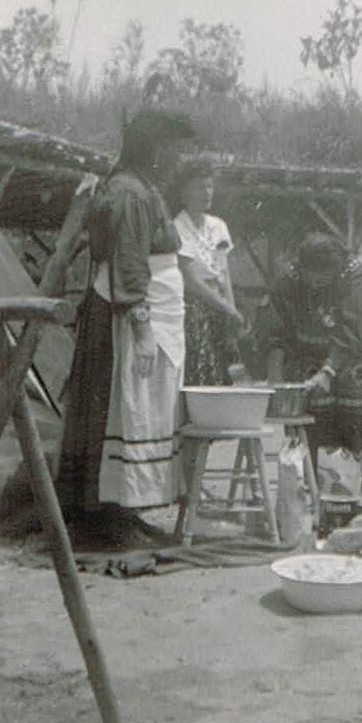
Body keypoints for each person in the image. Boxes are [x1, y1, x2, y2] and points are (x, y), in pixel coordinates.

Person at [56, 111, 194, 547]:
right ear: (154, 150)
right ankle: (106, 516)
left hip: (140, 307)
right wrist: (142, 327)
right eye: (175, 150)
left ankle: (120, 511)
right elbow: (130, 262)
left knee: (129, 412)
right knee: (120, 409)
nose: (179, 159)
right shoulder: (131, 193)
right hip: (127, 314)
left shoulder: (139, 189)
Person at [265, 233, 362, 486]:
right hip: (309, 350)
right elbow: (276, 333)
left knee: (354, 410)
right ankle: (315, 475)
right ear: (301, 269)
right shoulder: (288, 283)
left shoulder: (355, 276)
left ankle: (357, 478)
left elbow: (350, 329)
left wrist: (328, 371)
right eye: (311, 276)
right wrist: (275, 383)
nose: (316, 283)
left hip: (356, 348)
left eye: (323, 277)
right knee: (314, 407)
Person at [172, 158, 243, 386]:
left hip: (220, 312)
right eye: (199, 187)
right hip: (193, 314)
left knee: (225, 375)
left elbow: (224, 274)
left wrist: (231, 313)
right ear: (183, 192)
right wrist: (226, 309)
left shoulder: (218, 226)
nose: (206, 192)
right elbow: (191, 281)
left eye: (209, 186)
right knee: (198, 376)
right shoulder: (177, 227)